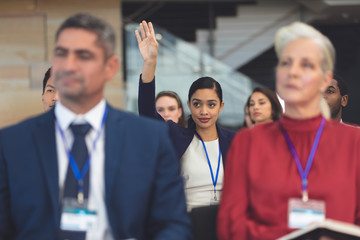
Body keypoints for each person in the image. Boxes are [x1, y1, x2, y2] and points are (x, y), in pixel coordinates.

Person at [0, 13, 192, 240]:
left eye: (84, 56)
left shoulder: (147, 139)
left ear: (110, 67)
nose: (70, 65)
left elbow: (173, 224)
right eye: (62, 54)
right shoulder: (13, 143)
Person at [217, 22, 360, 240]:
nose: (293, 72)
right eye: (286, 63)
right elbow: (230, 227)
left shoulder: (354, 142)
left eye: (306, 65)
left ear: (324, 79)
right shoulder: (248, 142)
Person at [136, 21, 235, 240]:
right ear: (188, 106)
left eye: (211, 104)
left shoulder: (234, 141)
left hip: (228, 223)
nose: (203, 111)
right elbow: (147, 113)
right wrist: (150, 62)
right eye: (197, 104)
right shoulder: (177, 134)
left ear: (221, 106)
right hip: (188, 225)